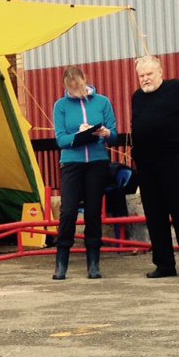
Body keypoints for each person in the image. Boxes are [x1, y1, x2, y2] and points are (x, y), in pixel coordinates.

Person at [52, 66, 117, 280]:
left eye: (79, 88)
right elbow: (61, 139)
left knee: (93, 213)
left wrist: (105, 133)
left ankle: (94, 264)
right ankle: (61, 263)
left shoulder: (102, 102)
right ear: (66, 88)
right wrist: (79, 135)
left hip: (97, 162)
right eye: (72, 90)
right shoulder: (60, 106)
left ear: (85, 81)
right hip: (72, 163)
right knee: (68, 211)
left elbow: (114, 134)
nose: (77, 92)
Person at [131, 55, 179, 278]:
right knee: (155, 217)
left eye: (149, 74)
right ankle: (164, 265)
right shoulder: (137, 98)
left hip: (175, 164)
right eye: (141, 76)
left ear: (160, 72)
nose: (145, 79)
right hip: (147, 167)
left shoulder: (177, 89)